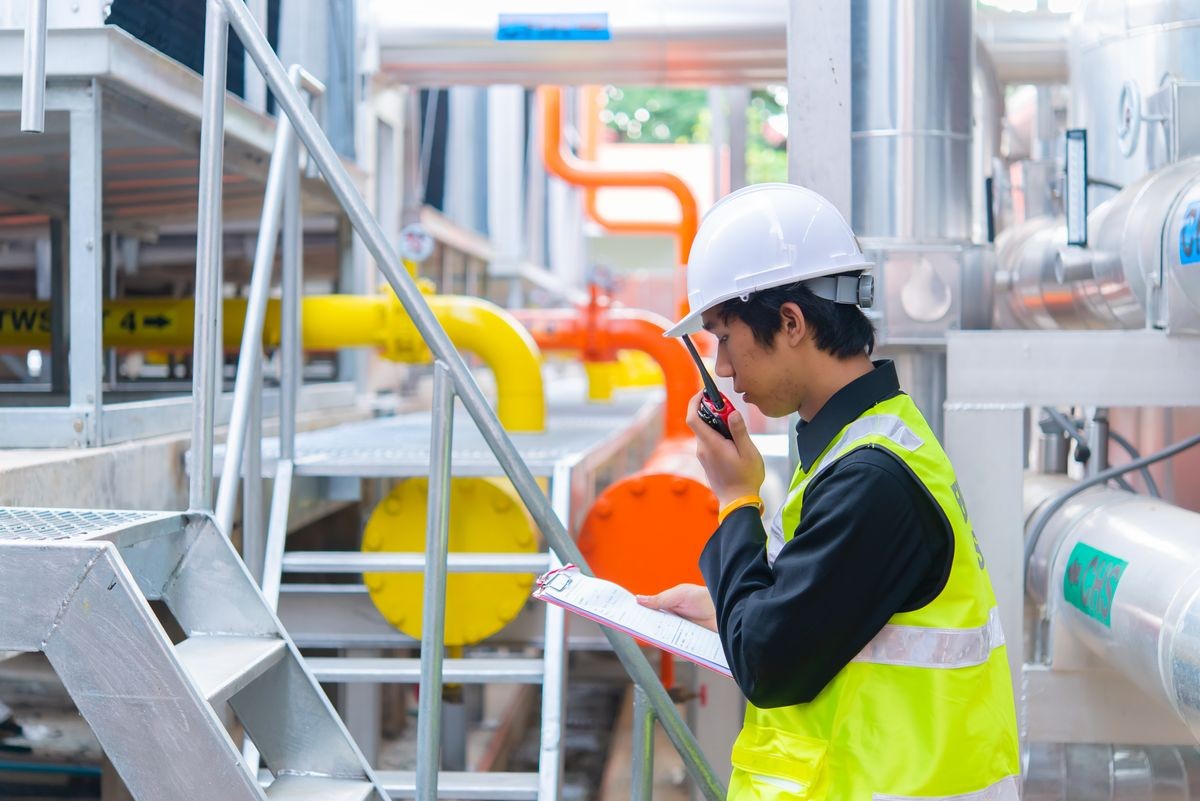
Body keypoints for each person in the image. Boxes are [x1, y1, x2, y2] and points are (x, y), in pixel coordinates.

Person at [637, 183, 1020, 801]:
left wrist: (736, 499)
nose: (725, 370)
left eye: (725, 338)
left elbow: (768, 664)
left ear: (790, 321)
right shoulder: (860, 451)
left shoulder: (871, 480)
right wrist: (725, 610)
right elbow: (825, 617)